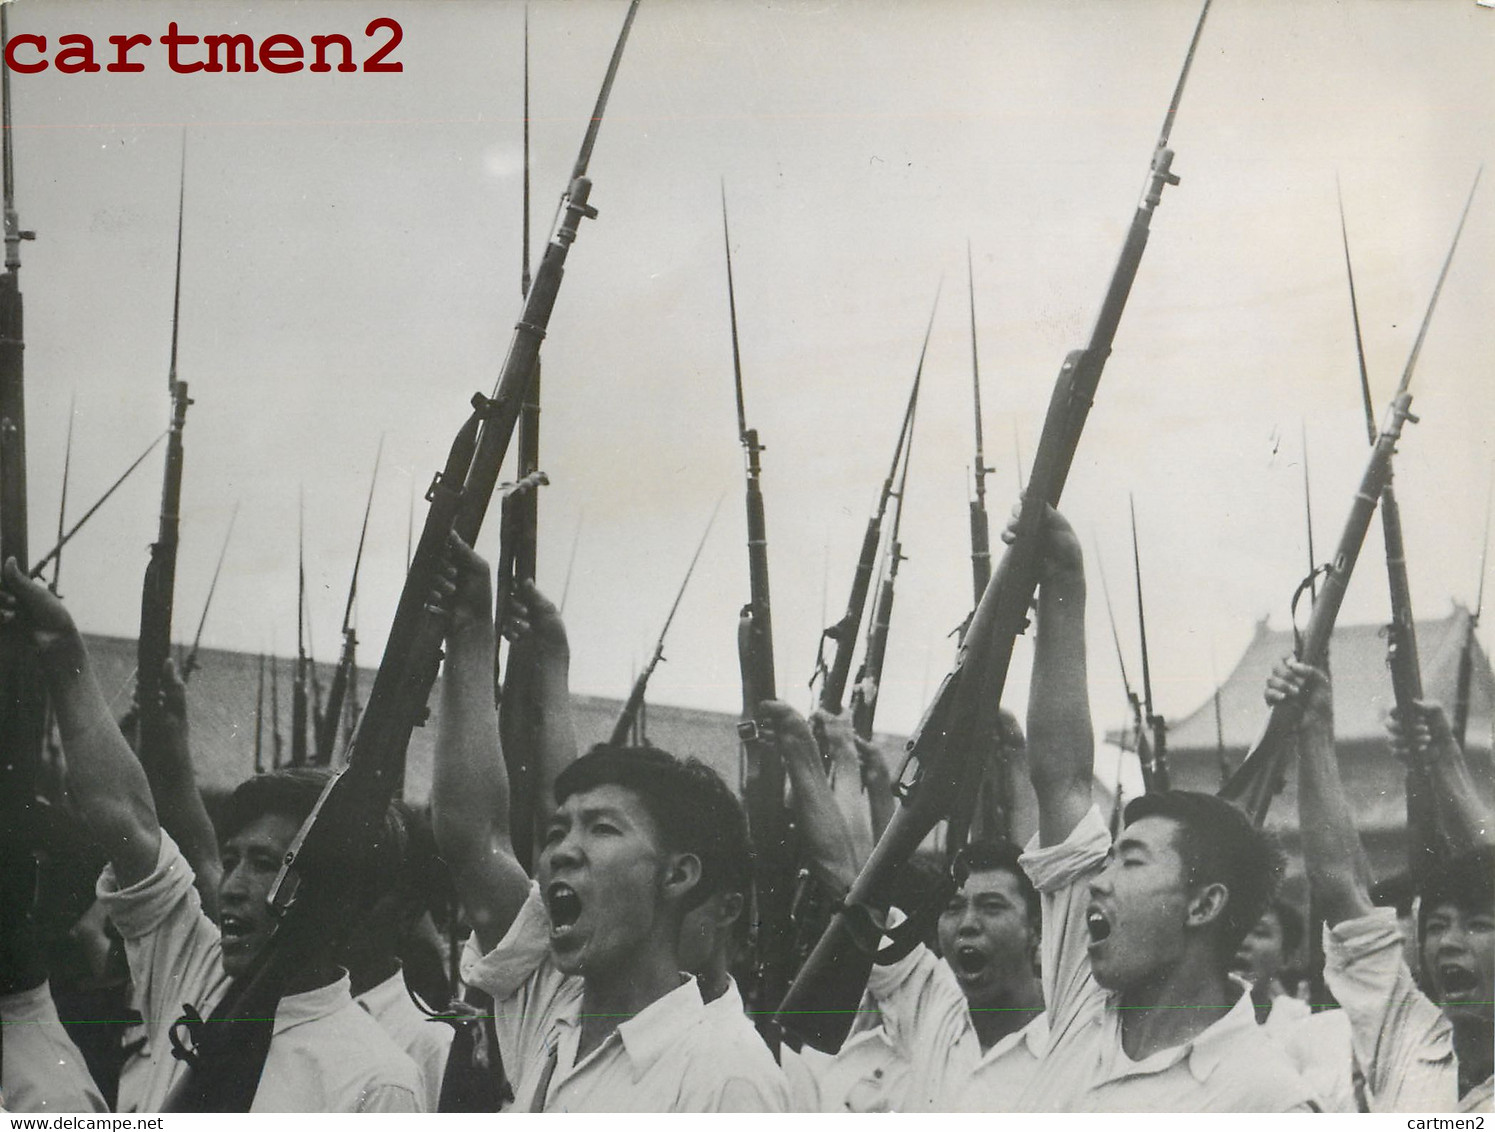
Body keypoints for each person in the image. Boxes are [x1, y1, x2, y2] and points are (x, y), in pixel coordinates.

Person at [0, 559, 424, 1113]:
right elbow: (125, 817)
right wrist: (63, 652)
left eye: (269, 862)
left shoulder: (378, 1080)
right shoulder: (202, 971)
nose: (233, 885)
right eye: (232, 858)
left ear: (339, 890)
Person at [430, 537, 788, 1111]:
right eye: (557, 833)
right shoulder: (554, 1011)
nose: (562, 852)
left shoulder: (725, 1075)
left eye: (602, 829)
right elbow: (474, 840)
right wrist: (470, 630)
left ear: (677, 876)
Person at [1005, 506, 1319, 1111]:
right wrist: (1065, 583)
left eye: (1131, 861)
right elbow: (1063, 777)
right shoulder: (1083, 990)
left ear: (1203, 904)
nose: (1098, 879)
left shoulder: (1267, 1099)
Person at [759, 698, 1047, 1111]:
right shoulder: (936, 1007)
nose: (968, 923)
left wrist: (1017, 756)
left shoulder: (1071, 1040)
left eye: (992, 906)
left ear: (1036, 927)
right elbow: (851, 887)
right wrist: (802, 752)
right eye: (953, 907)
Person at [1269, 659, 1494, 1112]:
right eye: (1436, 926)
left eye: (1477, 924)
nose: (1447, 942)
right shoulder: (1405, 1032)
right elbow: (1338, 887)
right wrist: (1312, 729)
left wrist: (1446, 762)